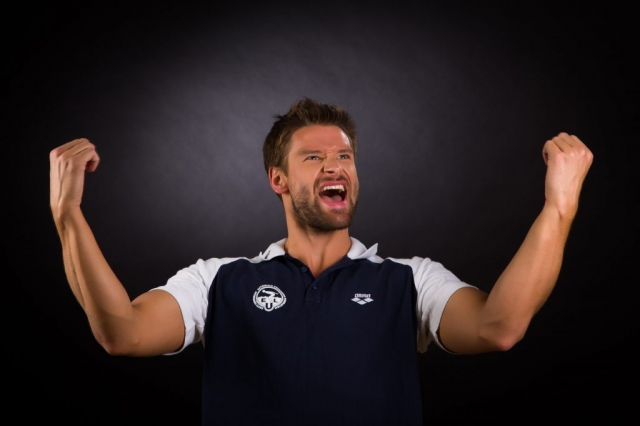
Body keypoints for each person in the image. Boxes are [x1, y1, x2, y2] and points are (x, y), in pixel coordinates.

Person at [49, 97, 593, 425]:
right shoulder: (217, 280)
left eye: (344, 156)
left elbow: (499, 327)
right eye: (314, 156)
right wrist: (68, 214)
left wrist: (559, 208)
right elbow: (122, 332)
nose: (336, 166)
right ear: (278, 179)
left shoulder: (410, 279)